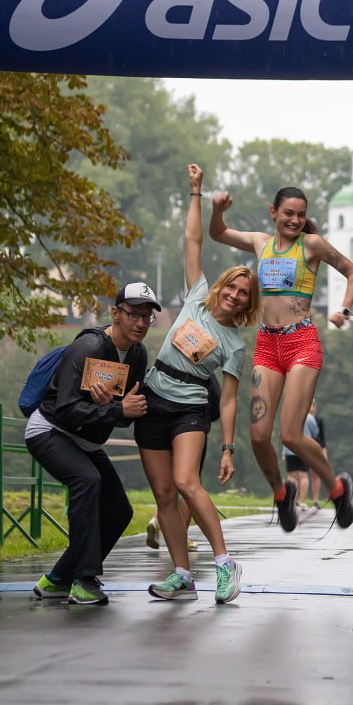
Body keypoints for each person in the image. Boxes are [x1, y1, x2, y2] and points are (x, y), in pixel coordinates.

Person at [135, 164, 259, 604]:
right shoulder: (196, 296)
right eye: (232, 287)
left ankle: (225, 564)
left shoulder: (235, 343)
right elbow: (192, 241)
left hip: (190, 408)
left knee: (187, 483)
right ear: (221, 286)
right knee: (164, 494)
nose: (234, 295)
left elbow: (228, 399)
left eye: (243, 293)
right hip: (153, 398)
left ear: (248, 302)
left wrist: (228, 448)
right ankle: (182, 574)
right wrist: (196, 193)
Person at [209, 185, 353, 532]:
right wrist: (217, 208)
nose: (295, 219)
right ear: (273, 212)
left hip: (302, 343)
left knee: (291, 434)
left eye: (300, 214)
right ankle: (282, 494)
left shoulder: (312, 245)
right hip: (267, 344)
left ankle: (338, 490)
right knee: (260, 436)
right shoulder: (260, 243)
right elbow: (217, 232)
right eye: (288, 213)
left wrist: (344, 309)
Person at [25, 282, 154, 606]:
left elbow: (123, 417)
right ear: (115, 313)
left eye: (147, 317)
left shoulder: (137, 355)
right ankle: (83, 581)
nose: (140, 323)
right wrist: (112, 408)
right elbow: (65, 407)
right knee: (87, 480)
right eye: (133, 314)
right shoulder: (89, 348)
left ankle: (56, 579)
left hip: (86, 441)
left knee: (120, 511)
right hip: (49, 431)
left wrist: (114, 408)